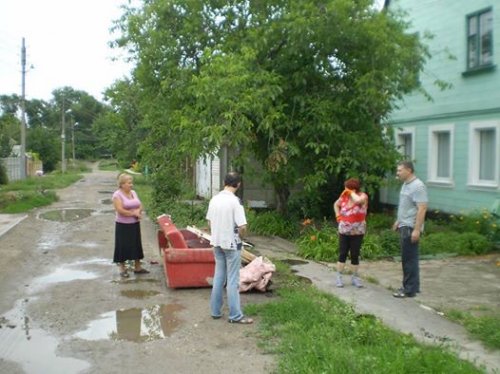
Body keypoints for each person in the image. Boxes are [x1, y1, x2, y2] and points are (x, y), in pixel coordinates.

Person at [206, 172, 253, 324]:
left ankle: (215, 311)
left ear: (224, 182)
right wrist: (242, 237)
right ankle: (235, 315)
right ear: (238, 184)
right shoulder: (235, 202)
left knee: (219, 276)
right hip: (232, 244)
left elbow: (209, 223)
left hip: (217, 242)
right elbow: (242, 226)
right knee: (233, 280)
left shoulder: (214, 199)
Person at [392, 161, 428, 298]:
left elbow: (422, 208)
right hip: (404, 224)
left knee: (409, 259)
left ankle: (408, 289)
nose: (398, 173)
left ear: (409, 170)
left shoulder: (418, 186)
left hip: (410, 227)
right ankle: (413, 287)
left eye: (400, 170)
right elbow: (406, 206)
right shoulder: (406, 185)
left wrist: (417, 230)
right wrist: (398, 221)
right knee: (407, 258)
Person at [333, 178, 368, 288]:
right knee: (342, 254)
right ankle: (339, 277)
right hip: (344, 231)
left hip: (357, 231)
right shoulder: (344, 197)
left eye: (346, 188)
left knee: (355, 255)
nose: (345, 190)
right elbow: (336, 204)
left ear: (352, 189)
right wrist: (338, 215)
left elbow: (358, 201)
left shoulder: (363, 196)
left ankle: (355, 278)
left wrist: (351, 192)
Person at [112, 173, 149, 278]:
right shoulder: (117, 195)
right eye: (129, 183)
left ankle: (138, 267)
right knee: (122, 245)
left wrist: (138, 211)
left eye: (131, 182)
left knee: (136, 244)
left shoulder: (133, 192)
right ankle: (122, 268)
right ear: (122, 184)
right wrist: (134, 213)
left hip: (135, 223)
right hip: (123, 224)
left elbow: (140, 204)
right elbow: (120, 210)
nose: (131, 185)